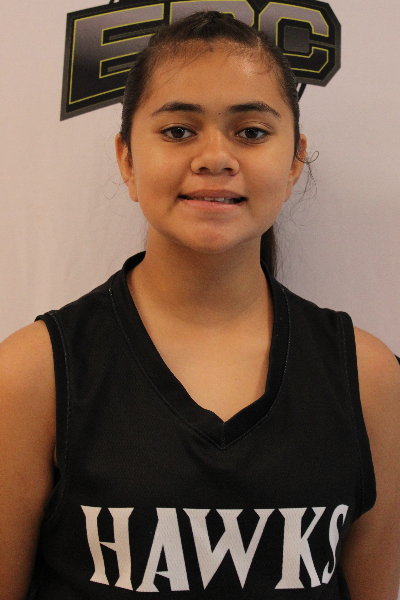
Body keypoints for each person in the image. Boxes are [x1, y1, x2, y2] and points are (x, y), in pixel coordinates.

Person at [1, 10, 400, 600]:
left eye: (251, 132)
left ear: (295, 160)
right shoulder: (32, 375)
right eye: (178, 131)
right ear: (127, 159)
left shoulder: (369, 378)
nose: (215, 157)